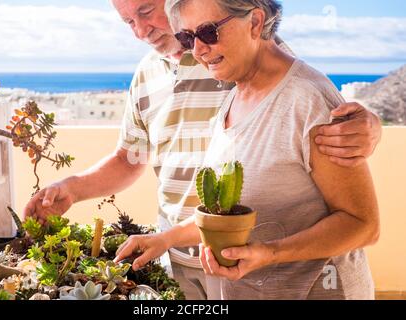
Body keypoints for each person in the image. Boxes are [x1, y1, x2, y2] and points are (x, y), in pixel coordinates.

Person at [25, 0, 382, 300]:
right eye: (187, 37)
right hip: (217, 270)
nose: (140, 30)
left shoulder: (267, 76)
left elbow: (305, 96)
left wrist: (371, 125)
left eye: (146, 11)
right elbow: (135, 160)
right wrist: (162, 237)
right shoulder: (226, 91)